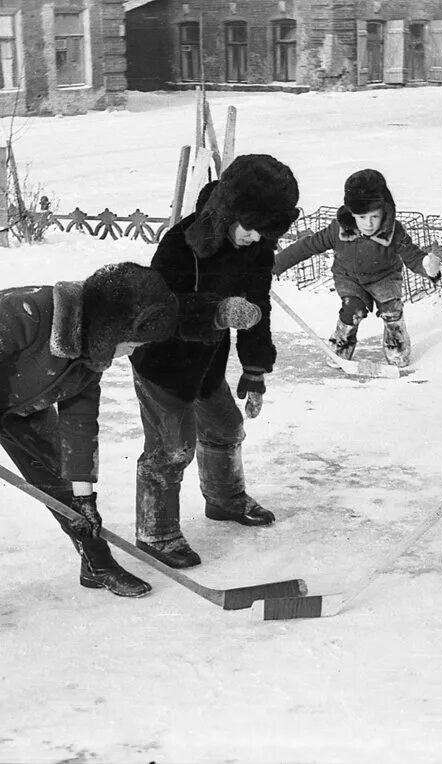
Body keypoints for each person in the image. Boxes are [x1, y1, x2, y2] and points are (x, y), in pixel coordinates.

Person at [0, 261, 180, 649]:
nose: (133, 352)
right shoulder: (23, 314)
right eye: (134, 343)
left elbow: (80, 424)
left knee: (63, 484)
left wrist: (85, 497)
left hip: (24, 402)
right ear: (111, 329)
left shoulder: (92, 353)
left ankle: (97, 564)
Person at [128, 154, 301, 569]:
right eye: (252, 226)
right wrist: (216, 313)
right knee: (172, 449)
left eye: (268, 230)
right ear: (229, 210)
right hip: (162, 363)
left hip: (206, 362)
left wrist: (256, 369)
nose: (257, 238)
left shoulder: (256, 251)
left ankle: (224, 499)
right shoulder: (181, 244)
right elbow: (156, 310)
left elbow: (257, 308)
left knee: (226, 427)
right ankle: (156, 531)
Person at [272, 168, 442, 367]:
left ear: (385, 212)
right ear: (352, 214)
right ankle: (341, 343)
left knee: (391, 310)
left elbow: (413, 257)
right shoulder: (337, 231)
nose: (369, 224)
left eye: (374, 216)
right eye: (362, 217)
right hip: (349, 278)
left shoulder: (394, 232)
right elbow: (308, 245)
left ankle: (395, 341)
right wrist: (275, 266)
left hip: (385, 277)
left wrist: (427, 266)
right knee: (352, 310)